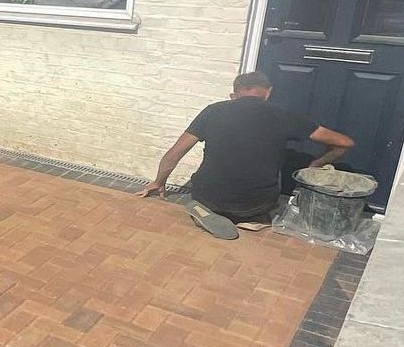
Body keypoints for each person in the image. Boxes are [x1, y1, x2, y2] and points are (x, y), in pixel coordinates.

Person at [140, 70, 354, 239]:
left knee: (205, 190)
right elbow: (344, 143)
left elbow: (176, 152)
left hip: (208, 196)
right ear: (268, 92)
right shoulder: (284, 116)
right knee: (271, 180)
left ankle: (205, 211)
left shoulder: (213, 111)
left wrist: (159, 182)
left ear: (233, 94)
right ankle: (253, 220)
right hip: (256, 203)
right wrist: (316, 164)